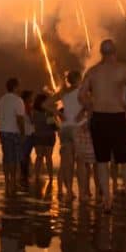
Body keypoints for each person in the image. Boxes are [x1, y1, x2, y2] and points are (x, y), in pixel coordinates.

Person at [79, 39, 126, 216]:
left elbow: (81, 95)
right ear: (115, 52)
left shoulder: (93, 71)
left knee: (102, 162)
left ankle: (107, 202)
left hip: (98, 118)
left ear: (101, 53)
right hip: (117, 117)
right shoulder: (123, 69)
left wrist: (91, 107)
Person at [0, 78, 26, 194]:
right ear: (15, 87)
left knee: (6, 157)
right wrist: (23, 133)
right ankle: (13, 181)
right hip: (13, 131)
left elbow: (1, 116)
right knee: (14, 158)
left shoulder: (1, 100)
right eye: (19, 86)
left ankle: (7, 180)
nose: (20, 88)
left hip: (2, 131)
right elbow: (20, 119)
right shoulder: (18, 100)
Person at [58, 71, 83, 200]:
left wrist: (60, 114)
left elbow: (45, 104)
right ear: (78, 79)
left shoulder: (63, 92)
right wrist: (82, 112)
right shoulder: (81, 91)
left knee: (67, 163)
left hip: (65, 128)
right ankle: (83, 193)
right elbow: (91, 104)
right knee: (80, 162)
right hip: (77, 128)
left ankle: (68, 192)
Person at [32, 93, 58, 184]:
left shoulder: (34, 113)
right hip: (48, 136)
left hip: (38, 136)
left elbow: (32, 123)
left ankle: (36, 175)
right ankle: (50, 177)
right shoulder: (48, 112)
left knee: (39, 157)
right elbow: (52, 126)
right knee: (48, 158)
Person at [20, 90, 35, 184]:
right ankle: (25, 173)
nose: (32, 98)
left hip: (24, 133)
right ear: (27, 98)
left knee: (25, 154)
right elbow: (32, 120)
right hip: (29, 133)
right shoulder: (28, 107)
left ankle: (25, 173)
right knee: (25, 154)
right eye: (31, 96)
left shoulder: (21, 106)